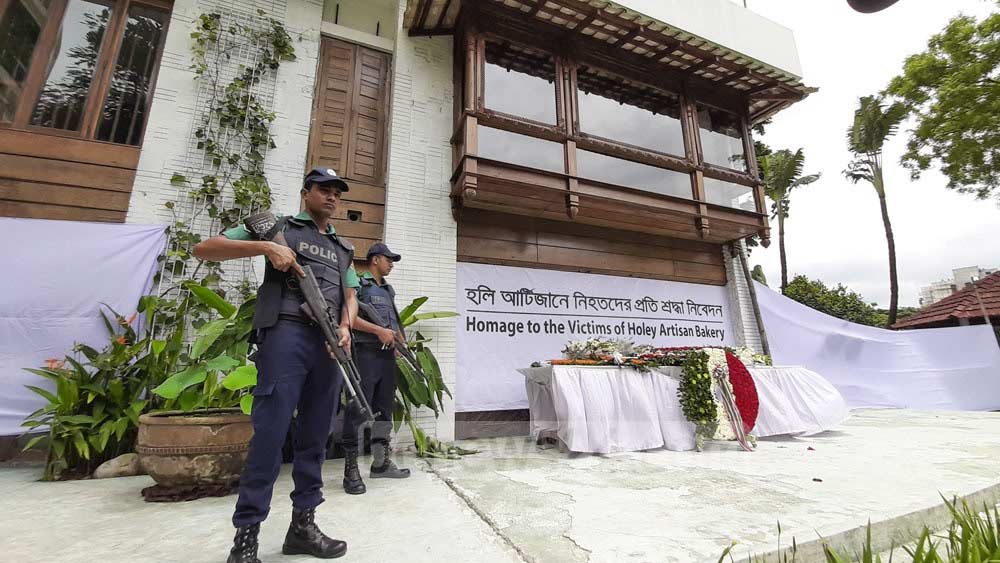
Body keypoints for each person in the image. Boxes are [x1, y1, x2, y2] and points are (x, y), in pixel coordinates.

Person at [193, 167, 360, 563]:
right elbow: (206, 247)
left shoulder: (343, 248)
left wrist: (345, 325)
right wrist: (266, 249)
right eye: (323, 189)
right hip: (286, 334)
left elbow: (350, 292)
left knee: (316, 438)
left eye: (337, 192)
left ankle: (303, 526)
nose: (331, 197)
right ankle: (246, 538)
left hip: (328, 344)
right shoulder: (279, 227)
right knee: (270, 437)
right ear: (306, 194)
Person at [340, 242, 411, 495]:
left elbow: (392, 322)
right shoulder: (359, 285)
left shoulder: (388, 290)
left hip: (386, 358)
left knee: (383, 410)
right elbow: (349, 318)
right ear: (374, 260)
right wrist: (378, 331)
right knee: (357, 409)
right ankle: (350, 469)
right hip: (365, 355)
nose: (391, 263)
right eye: (388, 259)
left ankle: (380, 463)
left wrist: (399, 343)